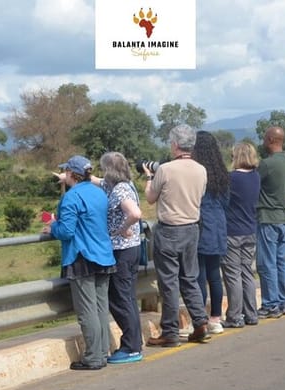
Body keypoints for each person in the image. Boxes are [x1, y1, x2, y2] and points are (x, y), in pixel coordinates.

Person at [42, 155, 116, 370]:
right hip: (103, 254)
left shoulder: (71, 197)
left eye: (65, 172)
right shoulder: (99, 192)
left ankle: (93, 358)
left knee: (87, 311)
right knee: (101, 307)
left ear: (72, 174)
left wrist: (52, 227)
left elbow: (66, 231)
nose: (63, 175)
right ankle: (102, 353)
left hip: (81, 256)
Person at [143, 124, 211, 346]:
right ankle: (200, 320)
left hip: (169, 229)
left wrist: (148, 179)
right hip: (192, 228)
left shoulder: (166, 169)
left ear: (174, 145)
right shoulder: (201, 169)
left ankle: (170, 332)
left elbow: (151, 198)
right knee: (190, 277)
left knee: (169, 283)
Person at [94, 152, 144, 364]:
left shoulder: (121, 190)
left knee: (120, 299)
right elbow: (97, 181)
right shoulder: (126, 183)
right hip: (132, 250)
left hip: (122, 251)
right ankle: (134, 343)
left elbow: (135, 213)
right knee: (128, 298)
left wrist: (121, 229)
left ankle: (131, 347)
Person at [193, 131, 229, 335]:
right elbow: (226, 202)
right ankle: (216, 318)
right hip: (218, 225)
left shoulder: (198, 172)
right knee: (215, 275)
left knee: (199, 274)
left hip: (201, 224)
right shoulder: (221, 172)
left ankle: (201, 318)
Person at [221, 142, 261, 328]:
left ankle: (235, 315)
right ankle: (251, 313)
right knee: (247, 272)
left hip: (232, 230)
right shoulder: (256, 177)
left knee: (232, 275)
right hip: (249, 229)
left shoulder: (231, 178)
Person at [256, 126, 285, 319]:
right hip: (282, 218)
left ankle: (270, 303)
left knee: (266, 262)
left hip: (267, 218)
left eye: (264, 138)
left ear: (271, 139)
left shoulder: (266, 164)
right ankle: (283, 300)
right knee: (280, 261)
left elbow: (254, 184)